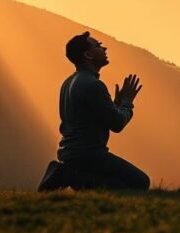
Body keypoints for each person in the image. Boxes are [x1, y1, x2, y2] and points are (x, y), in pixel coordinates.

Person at [37, 31, 151, 191]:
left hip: (72, 153)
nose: (104, 48)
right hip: (89, 154)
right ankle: (69, 176)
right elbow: (117, 124)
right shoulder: (93, 85)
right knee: (141, 183)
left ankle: (70, 174)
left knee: (122, 183)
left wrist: (115, 104)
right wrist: (127, 103)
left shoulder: (69, 82)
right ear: (88, 54)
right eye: (98, 45)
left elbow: (91, 116)